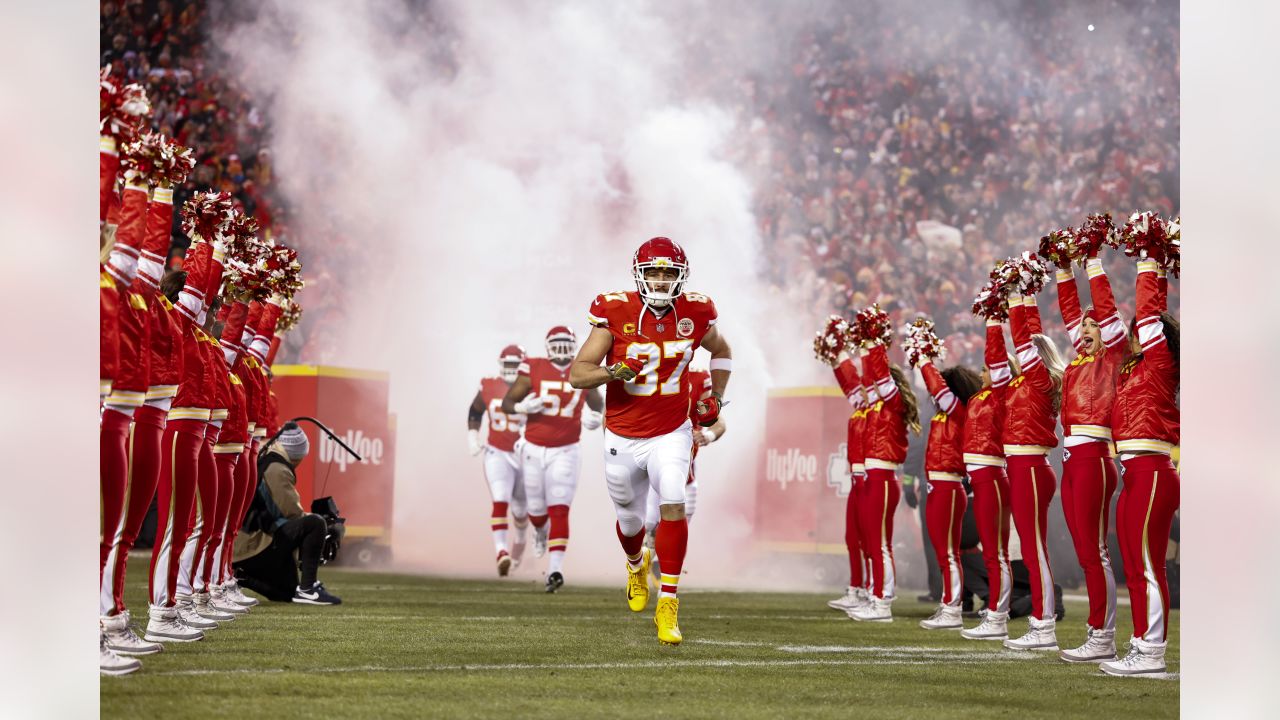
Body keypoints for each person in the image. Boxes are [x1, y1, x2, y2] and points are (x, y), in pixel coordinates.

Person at [569, 237, 732, 645]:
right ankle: (635, 563)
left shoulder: (696, 311)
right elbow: (578, 374)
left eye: (668, 273)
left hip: (671, 430)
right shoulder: (615, 311)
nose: (661, 280)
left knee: (673, 498)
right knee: (630, 520)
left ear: (681, 276)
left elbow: (723, 351)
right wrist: (614, 372)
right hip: (622, 435)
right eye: (654, 272)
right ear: (639, 275)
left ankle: (670, 602)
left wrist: (716, 396)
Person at [1099, 257, 1180, 676]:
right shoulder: (1134, 372)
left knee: (1148, 564)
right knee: (1133, 563)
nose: (1133, 338)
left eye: (1141, 335)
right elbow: (1117, 328)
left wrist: (1151, 262)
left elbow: (1149, 318)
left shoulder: (1162, 365)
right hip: (1133, 472)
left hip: (1151, 470)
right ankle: (1140, 645)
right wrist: (1091, 265)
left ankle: (1151, 653)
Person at [1050, 251, 1127, 663]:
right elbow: (1068, 312)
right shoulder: (1079, 361)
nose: (1084, 329)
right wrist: (1064, 271)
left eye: (1093, 323)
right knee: (1084, 550)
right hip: (1071, 459)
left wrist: (1092, 263)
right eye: (1083, 324)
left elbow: (1109, 314)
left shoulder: (1113, 357)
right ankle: (1097, 632)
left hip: (1096, 457)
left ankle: (1103, 635)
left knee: (1095, 551)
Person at [502, 326, 602, 592]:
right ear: (547, 346)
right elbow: (507, 403)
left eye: (565, 343)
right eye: (556, 343)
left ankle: (555, 570)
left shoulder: (581, 368)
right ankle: (539, 531)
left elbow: (599, 404)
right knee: (536, 509)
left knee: (559, 507)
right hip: (533, 447)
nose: (561, 349)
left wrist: (598, 417)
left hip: (567, 449)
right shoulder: (532, 367)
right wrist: (522, 407)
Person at [1001, 292, 1067, 650]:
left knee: (1033, 549)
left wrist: (1016, 299)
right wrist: (1023, 301)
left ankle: (1043, 625)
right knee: (1031, 548)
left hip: (1030, 467)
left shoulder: (1043, 382)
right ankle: (1042, 622)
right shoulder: (1028, 383)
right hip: (1023, 466)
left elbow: (1025, 344)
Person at [849, 332, 921, 622]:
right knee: (873, 541)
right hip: (872, 477)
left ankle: (882, 602)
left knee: (880, 543)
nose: (871, 385)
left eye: (877, 381)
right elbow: (858, 381)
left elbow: (877, 375)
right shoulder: (875, 407)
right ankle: (875, 594)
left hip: (883, 478)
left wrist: (872, 343)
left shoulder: (892, 405)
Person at [914, 339, 983, 630]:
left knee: (948, 551)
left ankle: (952, 608)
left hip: (949, 486)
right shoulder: (947, 414)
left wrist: (922, 360)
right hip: (936, 485)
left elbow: (937, 389)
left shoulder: (959, 411)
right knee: (944, 550)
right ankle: (949, 603)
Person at [232, 423, 342, 605]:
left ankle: (241, 576)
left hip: (241, 546)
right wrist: (324, 526)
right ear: (297, 454)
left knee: (286, 592)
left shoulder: (266, 457)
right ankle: (308, 588)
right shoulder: (277, 469)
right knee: (315, 524)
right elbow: (292, 514)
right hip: (254, 543)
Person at [959, 320, 1015, 640]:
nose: (982, 374)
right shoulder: (977, 400)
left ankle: (998, 614)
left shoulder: (1001, 395)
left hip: (994, 475)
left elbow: (997, 361)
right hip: (978, 477)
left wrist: (993, 323)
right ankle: (996, 612)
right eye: (982, 370)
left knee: (996, 551)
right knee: (990, 549)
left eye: (988, 369)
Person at [643, 365, 726, 578]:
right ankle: (640, 564)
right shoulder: (651, 370)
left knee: (679, 527)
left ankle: (664, 572)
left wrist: (708, 435)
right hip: (653, 468)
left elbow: (719, 422)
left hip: (686, 474)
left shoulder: (698, 379)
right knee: (649, 522)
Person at [467, 344, 530, 576]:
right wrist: (473, 436)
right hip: (497, 452)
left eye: (516, 364)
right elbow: (475, 410)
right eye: (508, 364)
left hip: (524, 454)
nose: (512, 369)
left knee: (522, 511)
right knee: (500, 501)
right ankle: (501, 552)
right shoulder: (490, 385)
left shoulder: (533, 387)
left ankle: (517, 552)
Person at [825, 351, 870, 615]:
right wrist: (835, 359)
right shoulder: (862, 408)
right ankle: (855, 588)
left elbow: (853, 383)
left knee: (870, 541)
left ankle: (872, 590)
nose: (861, 389)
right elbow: (849, 384)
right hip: (857, 478)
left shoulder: (879, 410)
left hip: (870, 477)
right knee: (852, 537)